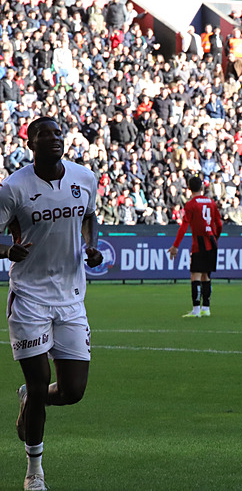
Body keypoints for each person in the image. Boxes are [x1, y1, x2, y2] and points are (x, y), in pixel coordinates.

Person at [0, 116, 103, 491]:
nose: (54, 138)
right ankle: (34, 472)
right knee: (40, 380)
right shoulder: (13, 188)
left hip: (71, 297)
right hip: (29, 297)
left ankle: (29, 399)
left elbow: (90, 216)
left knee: (73, 391)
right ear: (31, 144)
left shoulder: (84, 178)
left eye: (58, 133)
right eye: (44, 134)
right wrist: (7, 251)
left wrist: (91, 246)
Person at [168, 176, 222, 318]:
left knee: (195, 275)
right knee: (206, 275)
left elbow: (184, 226)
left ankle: (196, 310)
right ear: (202, 188)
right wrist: (215, 237)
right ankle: (206, 308)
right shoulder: (212, 203)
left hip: (199, 243)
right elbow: (219, 224)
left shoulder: (191, 204)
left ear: (189, 188)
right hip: (212, 242)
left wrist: (175, 246)